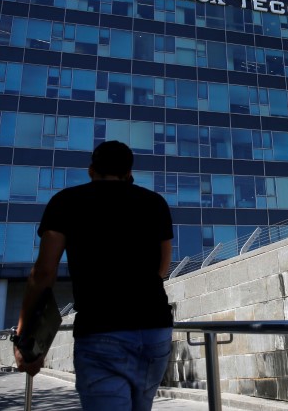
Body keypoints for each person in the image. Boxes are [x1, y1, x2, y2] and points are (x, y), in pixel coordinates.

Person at [15, 140, 174, 411]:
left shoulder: (66, 202)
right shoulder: (155, 203)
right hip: (154, 329)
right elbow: (162, 267)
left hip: (101, 330)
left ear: (91, 170)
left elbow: (43, 273)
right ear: (128, 173)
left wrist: (24, 337)